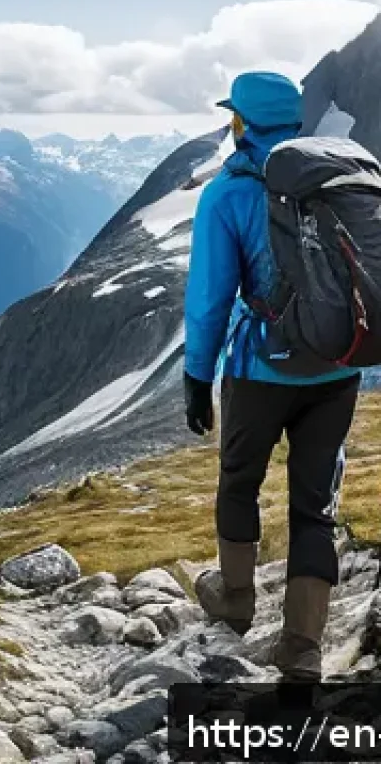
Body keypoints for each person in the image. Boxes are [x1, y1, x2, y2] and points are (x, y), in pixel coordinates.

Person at [183, 70, 361, 682]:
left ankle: (235, 599)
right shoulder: (336, 178)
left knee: (240, 482)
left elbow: (209, 300)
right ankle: (303, 646)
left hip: (260, 370)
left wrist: (197, 378)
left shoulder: (229, 194)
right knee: (315, 506)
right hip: (337, 368)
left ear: (242, 122)